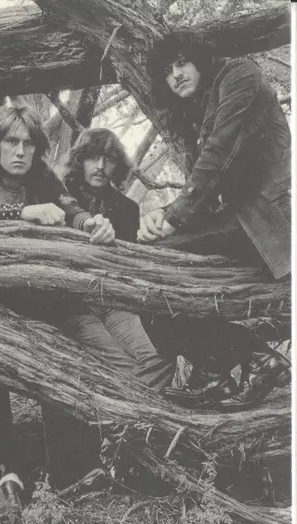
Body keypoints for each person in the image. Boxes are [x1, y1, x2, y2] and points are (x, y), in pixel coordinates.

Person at [0, 104, 118, 502]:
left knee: (58, 357)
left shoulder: (43, 178)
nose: (20, 151)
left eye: (29, 144)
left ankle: (70, 469)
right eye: (11, 141)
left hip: (39, 297)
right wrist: (21, 212)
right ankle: (3, 470)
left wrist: (90, 222)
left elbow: (70, 206)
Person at [138, 31, 291, 408]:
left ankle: (240, 363)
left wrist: (175, 217)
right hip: (239, 221)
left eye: (181, 62)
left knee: (154, 266)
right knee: (147, 272)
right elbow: (202, 191)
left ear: (200, 59)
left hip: (270, 220)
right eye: (167, 71)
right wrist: (162, 215)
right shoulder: (194, 109)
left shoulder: (240, 75)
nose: (175, 75)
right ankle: (223, 368)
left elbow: (220, 153)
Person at [59, 128, 175, 394]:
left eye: (109, 160)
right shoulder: (61, 196)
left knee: (158, 361)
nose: (100, 166)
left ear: (118, 166)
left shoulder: (127, 208)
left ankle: (122, 415)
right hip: (74, 307)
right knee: (123, 368)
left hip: (113, 302)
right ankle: (124, 413)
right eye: (93, 157)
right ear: (80, 159)